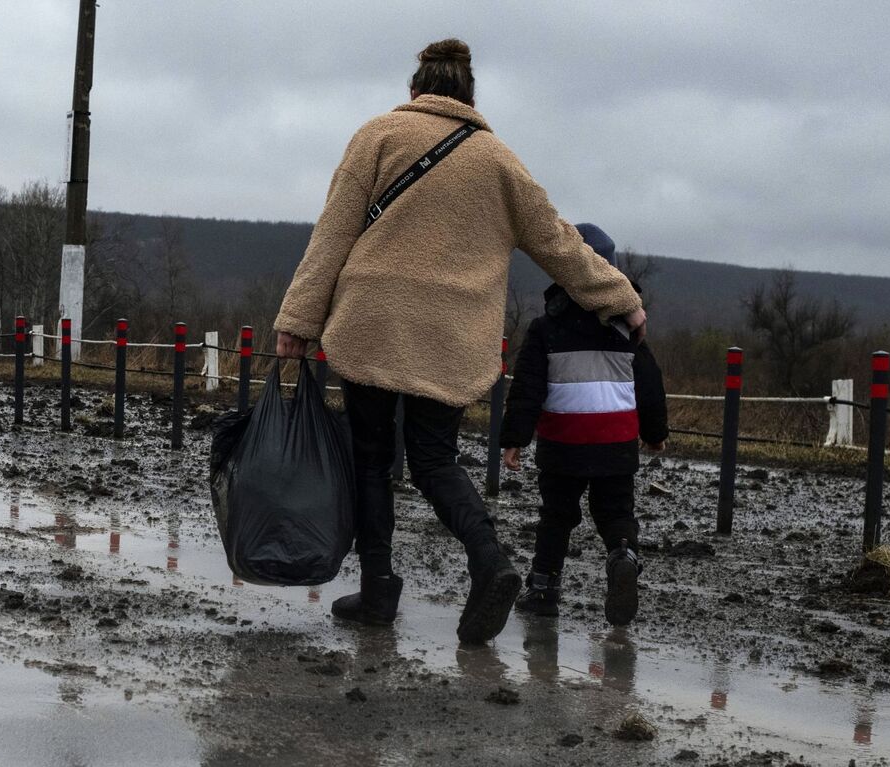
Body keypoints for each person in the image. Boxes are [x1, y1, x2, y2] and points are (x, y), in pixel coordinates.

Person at [273, 38, 646, 644]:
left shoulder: (377, 137)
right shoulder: (499, 160)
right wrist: (621, 299)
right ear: (470, 98)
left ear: (416, 91)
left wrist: (298, 319)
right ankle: (490, 561)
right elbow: (559, 243)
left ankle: (378, 590)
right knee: (433, 460)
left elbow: (333, 232)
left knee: (370, 460)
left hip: (374, 320)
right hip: (450, 334)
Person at [498, 223, 668, 626]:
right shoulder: (629, 330)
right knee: (615, 512)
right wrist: (655, 433)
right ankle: (623, 556)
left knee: (556, 515)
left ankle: (542, 589)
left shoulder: (546, 328)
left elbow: (527, 388)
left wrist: (514, 439)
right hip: (616, 443)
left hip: (563, 442)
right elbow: (649, 383)